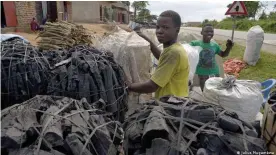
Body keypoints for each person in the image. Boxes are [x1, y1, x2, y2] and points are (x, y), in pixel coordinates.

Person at [127, 10, 190, 99]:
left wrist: (128, 87)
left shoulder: (173, 53)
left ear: (177, 30)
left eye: (165, 27)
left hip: (172, 105)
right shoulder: (174, 48)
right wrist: (142, 35)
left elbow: (152, 86)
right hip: (177, 99)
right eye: (157, 27)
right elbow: (161, 57)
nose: (159, 31)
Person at [190, 23, 234, 91]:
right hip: (202, 73)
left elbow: (223, 55)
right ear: (201, 32)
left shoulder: (214, 45)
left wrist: (228, 48)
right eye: (206, 31)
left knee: (216, 91)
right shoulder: (195, 43)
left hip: (214, 72)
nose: (209, 33)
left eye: (211, 31)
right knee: (205, 91)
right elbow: (186, 50)